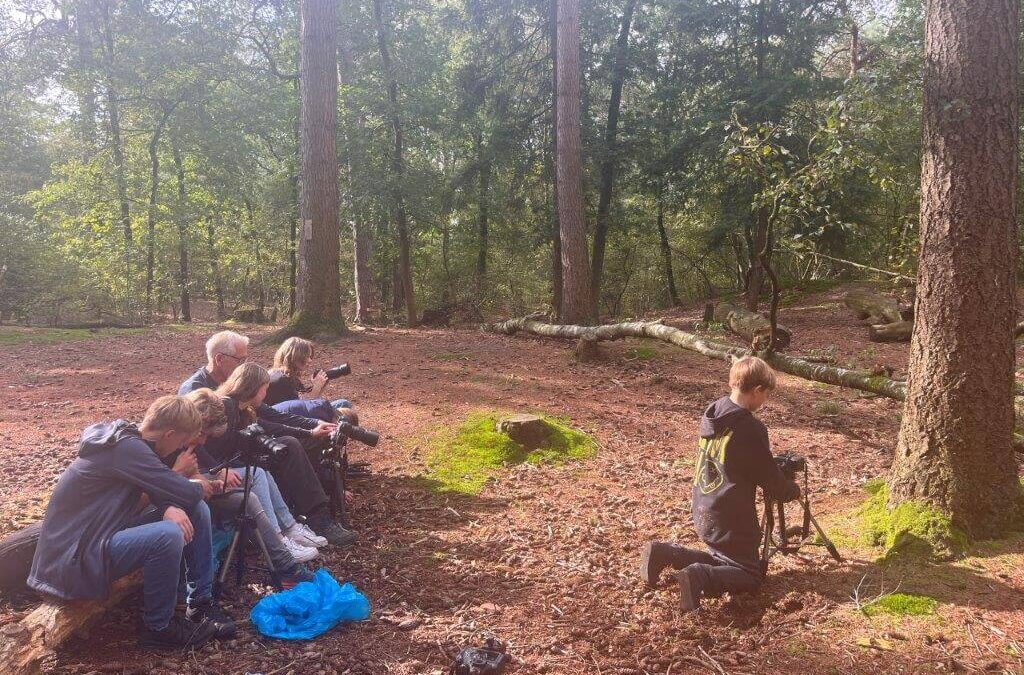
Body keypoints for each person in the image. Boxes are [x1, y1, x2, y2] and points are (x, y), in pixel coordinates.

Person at [27, 396, 234, 649]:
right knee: (167, 534)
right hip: (73, 560)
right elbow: (184, 490)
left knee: (195, 509)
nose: (179, 449)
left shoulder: (129, 441)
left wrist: (170, 503)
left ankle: (200, 603)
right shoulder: (126, 449)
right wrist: (196, 486)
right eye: (181, 442)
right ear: (169, 434)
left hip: (99, 535)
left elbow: (161, 487)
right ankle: (158, 627)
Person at [640, 356, 800, 612]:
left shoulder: (715, 413)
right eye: (766, 394)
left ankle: (662, 553)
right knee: (750, 574)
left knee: (723, 558)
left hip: (704, 506)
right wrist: (791, 489)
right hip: (732, 516)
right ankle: (699, 577)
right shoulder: (749, 428)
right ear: (757, 390)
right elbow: (769, 478)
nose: (765, 401)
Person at [178, 331, 356, 547]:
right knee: (287, 447)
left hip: (236, 449)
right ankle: (289, 528)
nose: (244, 363)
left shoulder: (239, 389)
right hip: (216, 462)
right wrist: (216, 469)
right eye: (240, 359)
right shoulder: (194, 390)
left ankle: (309, 516)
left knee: (291, 444)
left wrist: (312, 426)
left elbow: (271, 415)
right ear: (219, 359)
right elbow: (191, 440)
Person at [181, 389, 323, 570]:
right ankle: (278, 538)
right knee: (255, 476)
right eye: (202, 434)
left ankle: (289, 527)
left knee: (260, 472)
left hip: (203, 474)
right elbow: (183, 468)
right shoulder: (183, 430)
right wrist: (216, 472)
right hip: (197, 479)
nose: (203, 441)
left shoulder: (206, 422)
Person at [264, 337, 358, 423]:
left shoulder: (285, 375)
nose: (310, 360)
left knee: (343, 403)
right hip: (285, 422)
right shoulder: (282, 380)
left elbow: (304, 404)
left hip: (293, 416)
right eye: (307, 356)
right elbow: (302, 409)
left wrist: (321, 386)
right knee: (344, 408)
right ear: (296, 356)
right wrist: (316, 387)